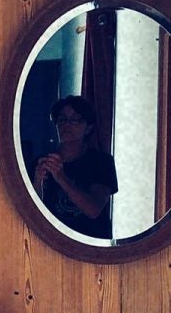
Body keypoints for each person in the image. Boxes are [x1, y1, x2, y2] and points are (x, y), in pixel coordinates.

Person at [32, 95, 118, 239]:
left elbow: (93, 210)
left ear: (88, 127)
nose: (67, 125)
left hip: (90, 245)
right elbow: (31, 213)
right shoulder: (42, 162)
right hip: (50, 241)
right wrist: (37, 180)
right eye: (62, 119)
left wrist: (61, 177)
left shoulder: (102, 162)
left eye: (75, 119)